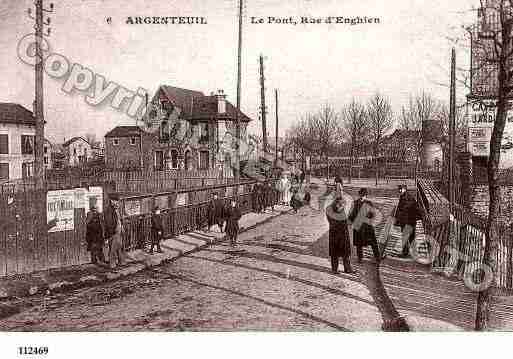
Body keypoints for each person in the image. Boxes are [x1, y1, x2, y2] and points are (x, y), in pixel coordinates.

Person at [348, 188, 380, 263]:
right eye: (361, 195)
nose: (362, 197)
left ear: (366, 196)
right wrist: (350, 221)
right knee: (359, 243)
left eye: (364, 195)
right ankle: (360, 258)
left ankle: (377, 257)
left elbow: (373, 215)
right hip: (358, 226)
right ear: (359, 195)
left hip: (367, 226)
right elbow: (352, 214)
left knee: (373, 242)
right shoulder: (355, 203)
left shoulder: (369, 203)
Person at [326, 196, 356, 274]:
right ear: (337, 203)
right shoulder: (330, 210)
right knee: (335, 252)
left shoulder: (332, 208)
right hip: (337, 233)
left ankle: (347, 269)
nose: (343, 206)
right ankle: (335, 269)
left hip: (340, 233)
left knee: (345, 252)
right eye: (342, 205)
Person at [395, 184, 423, 258]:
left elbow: (415, 209)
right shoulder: (403, 197)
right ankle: (412, 253)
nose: (400, 190)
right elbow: (399, 210)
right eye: (399, 189)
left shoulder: (408, 198)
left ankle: (406, 253)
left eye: (401, 189)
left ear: (405, 189)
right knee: (410, 238)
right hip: (408, 221)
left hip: (408, 221)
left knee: (407, 238)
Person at [104, 192, 127, 269]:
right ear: (111, 201)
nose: (117, 202)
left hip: (119, 231)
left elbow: (119, 220)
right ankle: (112, 264)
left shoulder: (116, 209)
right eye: (116, 201)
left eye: (117, 201)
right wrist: (112, 233)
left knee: (120, 247)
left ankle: (121, 262)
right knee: (113, 249)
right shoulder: (109, 210)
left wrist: (122, 228)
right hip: (113, 233)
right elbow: (109, 223)